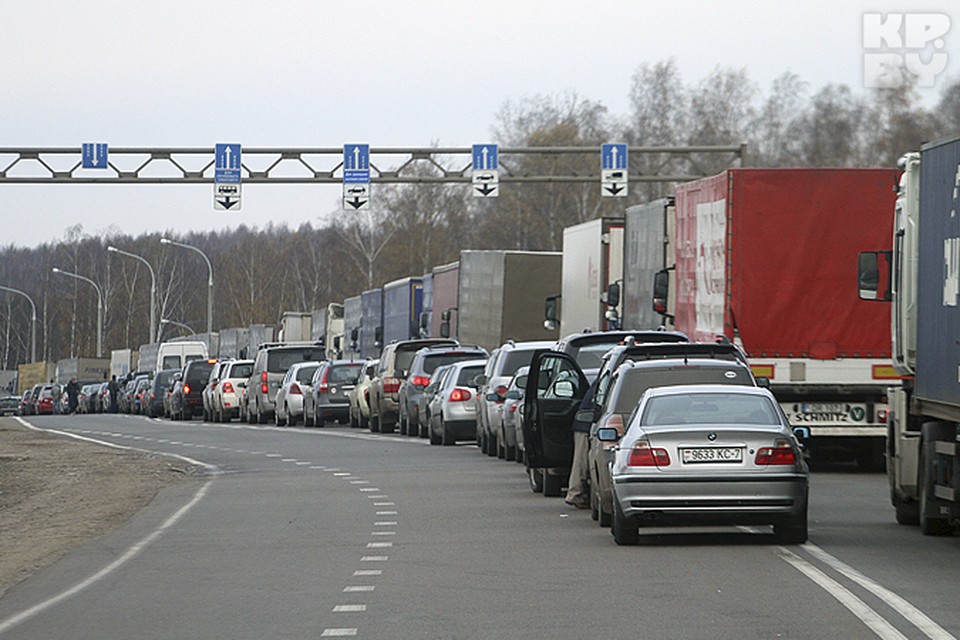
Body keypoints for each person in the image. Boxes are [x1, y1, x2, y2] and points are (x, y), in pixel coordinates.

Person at [565, 379, 598, 509]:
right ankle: (575, 494)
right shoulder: (612, 375)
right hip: (586, 424)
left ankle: (579, 494)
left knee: (582, 461)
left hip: (586, 422)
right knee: (581, 462)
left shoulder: (605, 375)